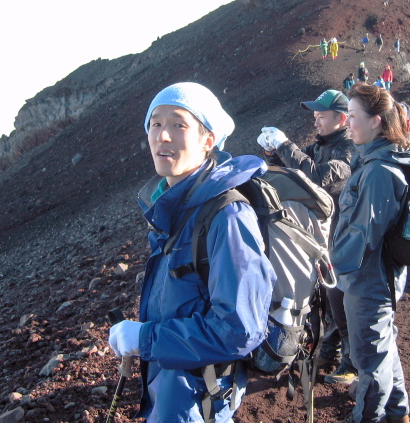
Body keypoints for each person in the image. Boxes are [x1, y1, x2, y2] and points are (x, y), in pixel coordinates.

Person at [109, 82, 276, 423]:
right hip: (172, 394)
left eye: (179, 124)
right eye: (155, 123)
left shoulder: (227, 216)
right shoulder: (175, 209)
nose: (162, 136)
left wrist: (146, 338)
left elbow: (240, 328)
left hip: (201, 400)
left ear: (208, 140)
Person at [331, 82, 410, 423]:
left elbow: (362, 234)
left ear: (375, 121)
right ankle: (398, 414)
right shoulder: (382, 160)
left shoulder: (379, 172)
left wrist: (330, 264)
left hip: (369, 279)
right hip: (379, 275)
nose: (348, 123)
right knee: (383, 349)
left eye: (354, 116)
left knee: (370, 359)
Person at [257, 89, 357, 385]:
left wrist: (285, 144)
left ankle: (351, 363)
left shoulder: (349, 150)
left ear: (341, 118)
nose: (316, 122)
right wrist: (271, 152)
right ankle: (328, 352)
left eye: (321, 116)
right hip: (322, 236)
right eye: (314, 116)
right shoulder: (321, 145)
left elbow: (314, 177)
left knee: (340, 297)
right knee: (323, 296)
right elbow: (295, 168)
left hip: (345, 236)